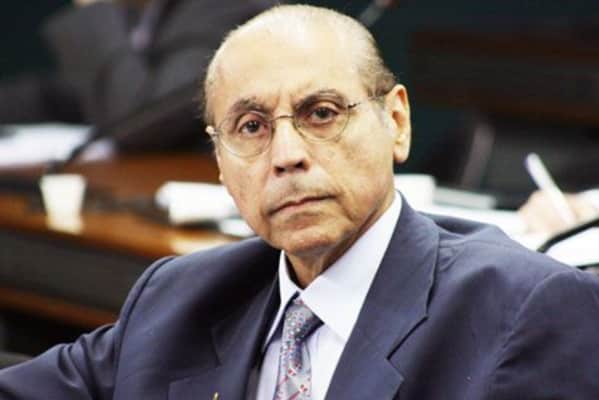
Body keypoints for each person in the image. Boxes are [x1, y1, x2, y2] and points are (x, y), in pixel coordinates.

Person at [2, 4, 599, 399]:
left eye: (321, 113)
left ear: (396, 122)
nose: (286, 155)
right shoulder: (177, 298)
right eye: (251, 127)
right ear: (219, 159)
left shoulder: (526, 310)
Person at [0, 0, 274, 151]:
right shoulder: (147, 13)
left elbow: (137, 122)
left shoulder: (224, 5)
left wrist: (97, 7)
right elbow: (67, 96)